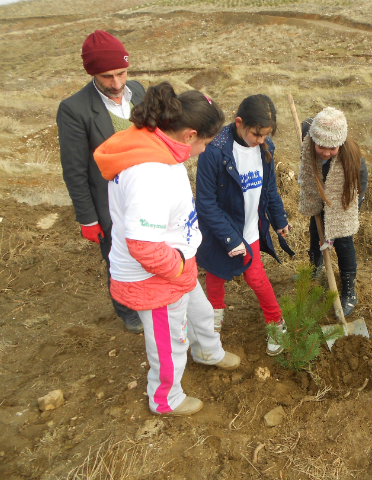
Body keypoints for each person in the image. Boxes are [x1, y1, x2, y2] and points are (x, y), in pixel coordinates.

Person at [94, 82, 241, 417]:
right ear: (189, 135)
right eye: (205, 142)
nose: (205, 150)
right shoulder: (150, 173)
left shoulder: (156, 147)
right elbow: (143, 246)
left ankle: (207, 351)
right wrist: (176, 267)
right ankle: (165, 398)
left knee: (201, 313)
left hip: (176, 263)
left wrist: (182, 262)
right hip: (156, 275)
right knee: (169, 341)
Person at [57, 30, 145, 333]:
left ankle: (150, 295)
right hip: (109, 203)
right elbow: (75, 169)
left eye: (121, 73)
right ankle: (128, 310)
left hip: (145, 193)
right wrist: (88, 218)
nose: (117, 83)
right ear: (92, 72)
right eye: (107, 77)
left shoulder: (138, 91)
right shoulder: (74, 109)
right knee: (117, 257)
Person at [195, 94, 294, 356]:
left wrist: (279, 218)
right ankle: (212, 323)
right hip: (220, 230)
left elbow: (269, 189)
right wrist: (229, 238)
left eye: (265, 135)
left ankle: (276, 322)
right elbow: (205, 204)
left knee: (256, 277)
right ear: (239, 123)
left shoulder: (264, 147)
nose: (261, 141)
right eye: (256, 134)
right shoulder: (213, 151)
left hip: (249, 227)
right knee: (216, 275)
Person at [298, 107, 367, 317]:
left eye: (332, 148)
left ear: (341, 143)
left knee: (343, 241)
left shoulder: (353, 159)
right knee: (315, 230)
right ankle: (315, 269)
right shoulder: (308, 136)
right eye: (321, 147)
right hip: (318, 192)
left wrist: (338, 216)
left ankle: (349, 292)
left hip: (345, 197)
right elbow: (306, 123)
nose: (326, 152)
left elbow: (358, 189)